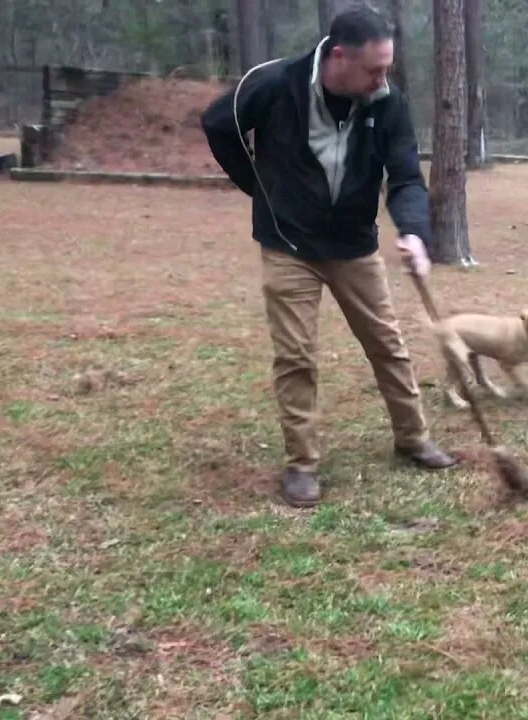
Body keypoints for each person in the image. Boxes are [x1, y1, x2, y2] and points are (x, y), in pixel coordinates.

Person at [200, 6, 457, 508]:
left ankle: (413, 439)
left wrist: (414, 233)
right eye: (375, 68)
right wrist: (257, 186)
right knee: (295, 356)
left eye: (388, 67)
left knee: (388, 345)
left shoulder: (387, 104)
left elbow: (405, 176)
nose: (384, 78)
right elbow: (217, 122)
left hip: (353, 247)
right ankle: (302, 464)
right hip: (288, 245)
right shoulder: (275, 84)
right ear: (339, 56)